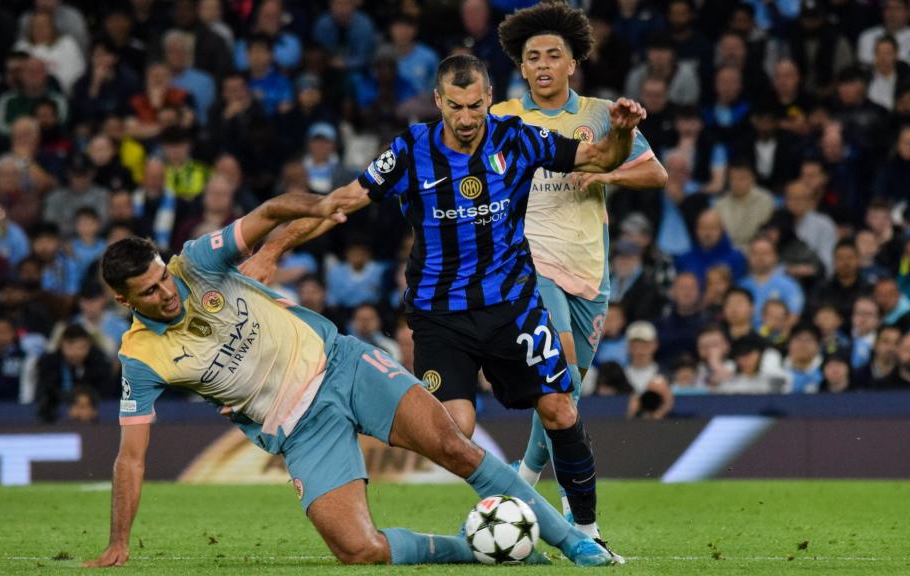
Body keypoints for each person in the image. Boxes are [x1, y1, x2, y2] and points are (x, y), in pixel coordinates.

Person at [241, 53, 644, 563]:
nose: (468, 117)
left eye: (476, 104)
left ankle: (586, 532)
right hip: (440, 315)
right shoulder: (411, 150)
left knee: (561, 408)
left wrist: (625, 132)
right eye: (456, 106)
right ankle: (493, 527)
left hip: (513, 307)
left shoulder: (517, 138)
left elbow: (601, 158)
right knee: (455, 432)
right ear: (438, 102)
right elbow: (343, 200)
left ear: (490, 98)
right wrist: (273, 251)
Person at [84, 190, 617, 568]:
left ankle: (577, 544)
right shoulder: (142, 357)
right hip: (298, 427)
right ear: (123, 300)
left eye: (161, 277)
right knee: (358, 551)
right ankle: (474, 549)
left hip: (342, 365)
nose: (167, 292)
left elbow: (270, 211)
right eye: (150, 291)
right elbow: (131, 457)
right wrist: (118, 542)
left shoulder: (195, 264)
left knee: (456, 448)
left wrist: (311, 209)